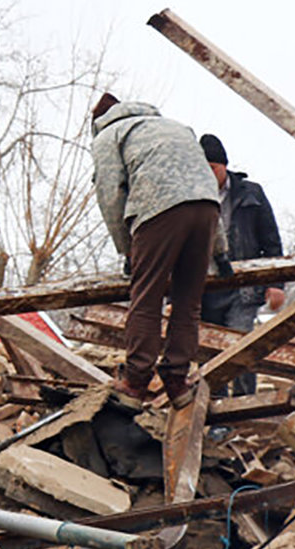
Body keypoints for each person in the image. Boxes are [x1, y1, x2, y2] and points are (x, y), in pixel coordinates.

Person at [90, 93, 220, 409]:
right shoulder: (175, 127)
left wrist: (128, 251)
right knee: (188, 301)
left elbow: (110, 195)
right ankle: (177, 380)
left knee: (147, 296)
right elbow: (204, 183)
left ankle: (135, 381)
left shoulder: (108, 134)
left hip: (158, 208)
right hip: (208, 208)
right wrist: (221, 249)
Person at [198, 134, 285, 398]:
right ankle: (215, 410)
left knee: (241, 342)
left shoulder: (251, 193)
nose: (208, 174)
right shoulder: (193, 197)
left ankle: (244, 405)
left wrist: (275, 283)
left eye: (212, 168)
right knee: (209, 347)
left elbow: (271, 241)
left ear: (224, 166)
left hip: (244, 286)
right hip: (205, 287)